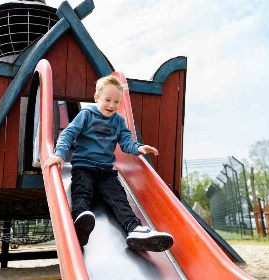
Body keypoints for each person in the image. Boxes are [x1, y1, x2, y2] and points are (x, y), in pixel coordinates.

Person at [43, 75, 173, 252]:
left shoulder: (118, 121)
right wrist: (60, 154)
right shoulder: (86, 115)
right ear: (97, 98)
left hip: (106, 171)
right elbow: (68, 133)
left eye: (116, 101)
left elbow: (126, 141)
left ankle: (135, 230)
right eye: (107, 100)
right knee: (82, 192)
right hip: (84, 168)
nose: (112, 105)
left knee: (119, 199)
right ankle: (80, 224)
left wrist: (139, 148)